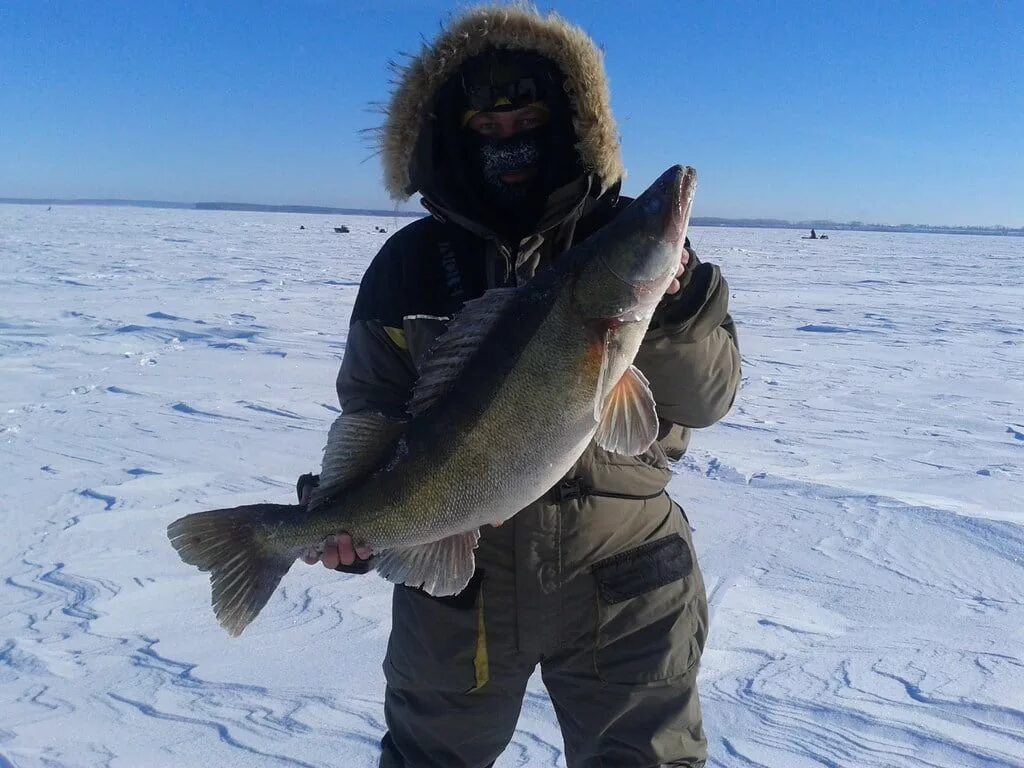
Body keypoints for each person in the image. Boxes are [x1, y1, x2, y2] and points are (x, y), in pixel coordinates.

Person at [296, 6, 740, 767]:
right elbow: (371, 411)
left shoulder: (644, 251)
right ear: (452, 133)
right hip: (456, 589)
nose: (509, 140)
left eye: (528, 117)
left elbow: (707, 399)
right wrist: (354, 518)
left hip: (626, 577)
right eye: (487, 126)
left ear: (571, 119)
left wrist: (676, 301)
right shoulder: (407, 265)